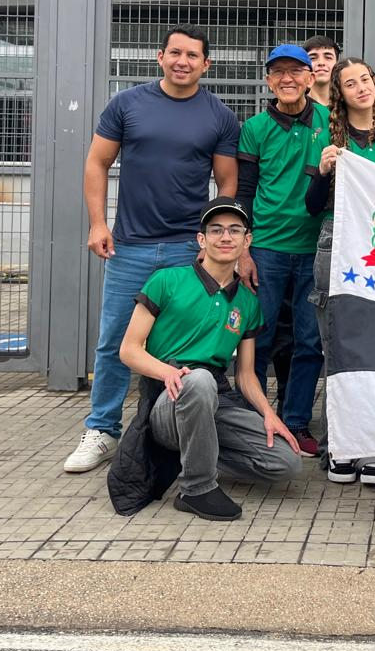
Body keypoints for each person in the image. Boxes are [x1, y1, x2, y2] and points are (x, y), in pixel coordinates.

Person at [64, 25, 240, 474]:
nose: (183, 61)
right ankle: (102, 429)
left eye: (193, 55)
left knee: (181, 346)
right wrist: (99, 222)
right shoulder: (127, 104)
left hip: (187, 250)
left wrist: (215, 246)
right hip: (131, 246)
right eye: (175, 53)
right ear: (160, 57)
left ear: (207, 64)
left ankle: (172, 430)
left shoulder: (219, 115)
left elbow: (227, 184)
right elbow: (97, 162)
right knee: (114, 342)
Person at [108, 197, 302, 521]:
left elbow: (246, 376)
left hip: (216, 397)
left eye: (234, 230)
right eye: (216, 230)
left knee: (285, 462)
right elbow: (129, 349)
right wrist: (166, 373)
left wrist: (269, 413)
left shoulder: (247, 303)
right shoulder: (167, 281)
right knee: (197, 380)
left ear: (247, 240)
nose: (225, 237)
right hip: (167, 394)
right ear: (202, 239)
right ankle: (196, 489)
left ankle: (196, 451)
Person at [305, 58, 375, 486]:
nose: (361, 88)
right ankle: (339, 446)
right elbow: (311, 206)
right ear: (340, 95)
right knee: (339, 350)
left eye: (365, 79)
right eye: (350, 84)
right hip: (338, 240)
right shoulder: (329, 139)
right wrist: (326, 171)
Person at [237, 44, 329, 459]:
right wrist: (243, 250)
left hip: (317, 249)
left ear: (312, 78)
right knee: (259, 336)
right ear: (268, 80)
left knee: (310, 342)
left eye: (296, 71)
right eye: (278, 72)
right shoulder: (254, 128)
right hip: (268, 249)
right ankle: (254, 419)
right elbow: (243, 192)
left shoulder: (331, 122)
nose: (287, 79)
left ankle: (295, 421)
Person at [303, 35, 340, 107]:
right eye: (313, 58)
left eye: (328, 57)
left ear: (337, 63)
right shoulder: (297, 106)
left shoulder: (348, 105)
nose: (321, 63)